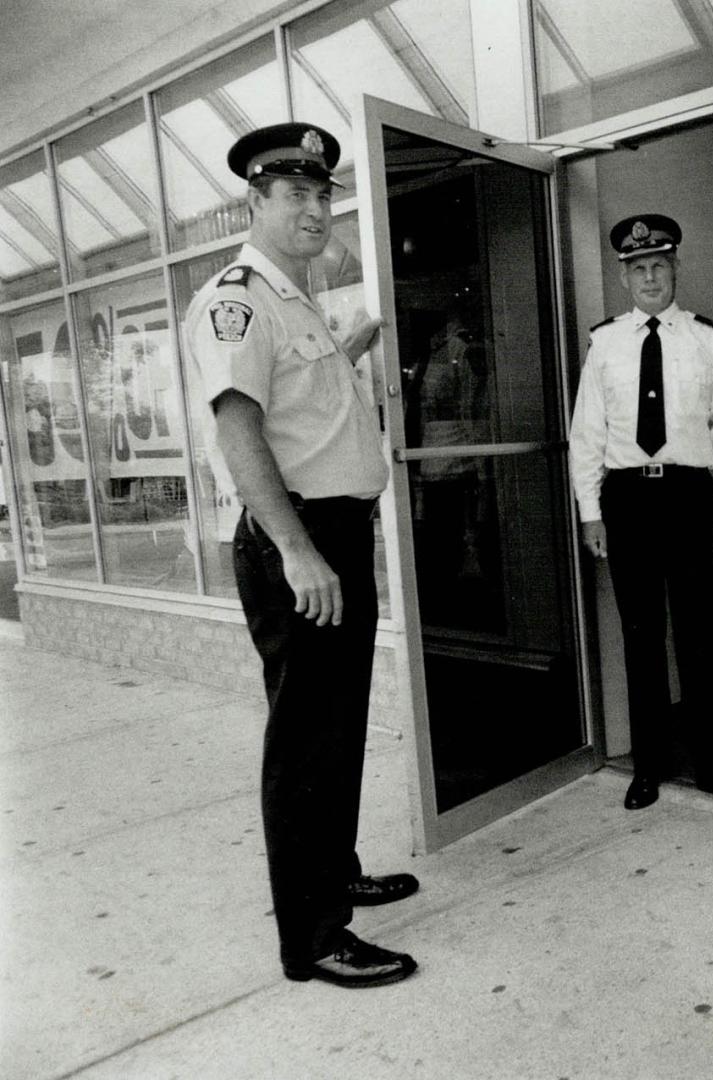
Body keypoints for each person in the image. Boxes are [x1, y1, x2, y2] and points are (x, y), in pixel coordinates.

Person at [182, 122, 418, 988]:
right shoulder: (236, 298)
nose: (316, 208)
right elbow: (238, 427)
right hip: (301, 543)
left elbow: (297, 403)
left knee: (338, 723)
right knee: (305, 742)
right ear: (258, 201)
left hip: (333, 537)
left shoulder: (296, 298)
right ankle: (314, 937)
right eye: (297, 194)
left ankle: (336, 869)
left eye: (324, 193)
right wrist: (294, 548)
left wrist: (350, 352)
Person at [568, 213, 713, 811]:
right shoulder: (605, 344)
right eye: (637, 268)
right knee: (641, 637)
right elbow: (587, 435)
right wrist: (592, 513)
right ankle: (647, 767)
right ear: (625, 278)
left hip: (690, 497)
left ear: (675, 268)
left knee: (702, 638)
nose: (649, 276)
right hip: (628, 502)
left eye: (658, 264)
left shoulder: (706, 338)